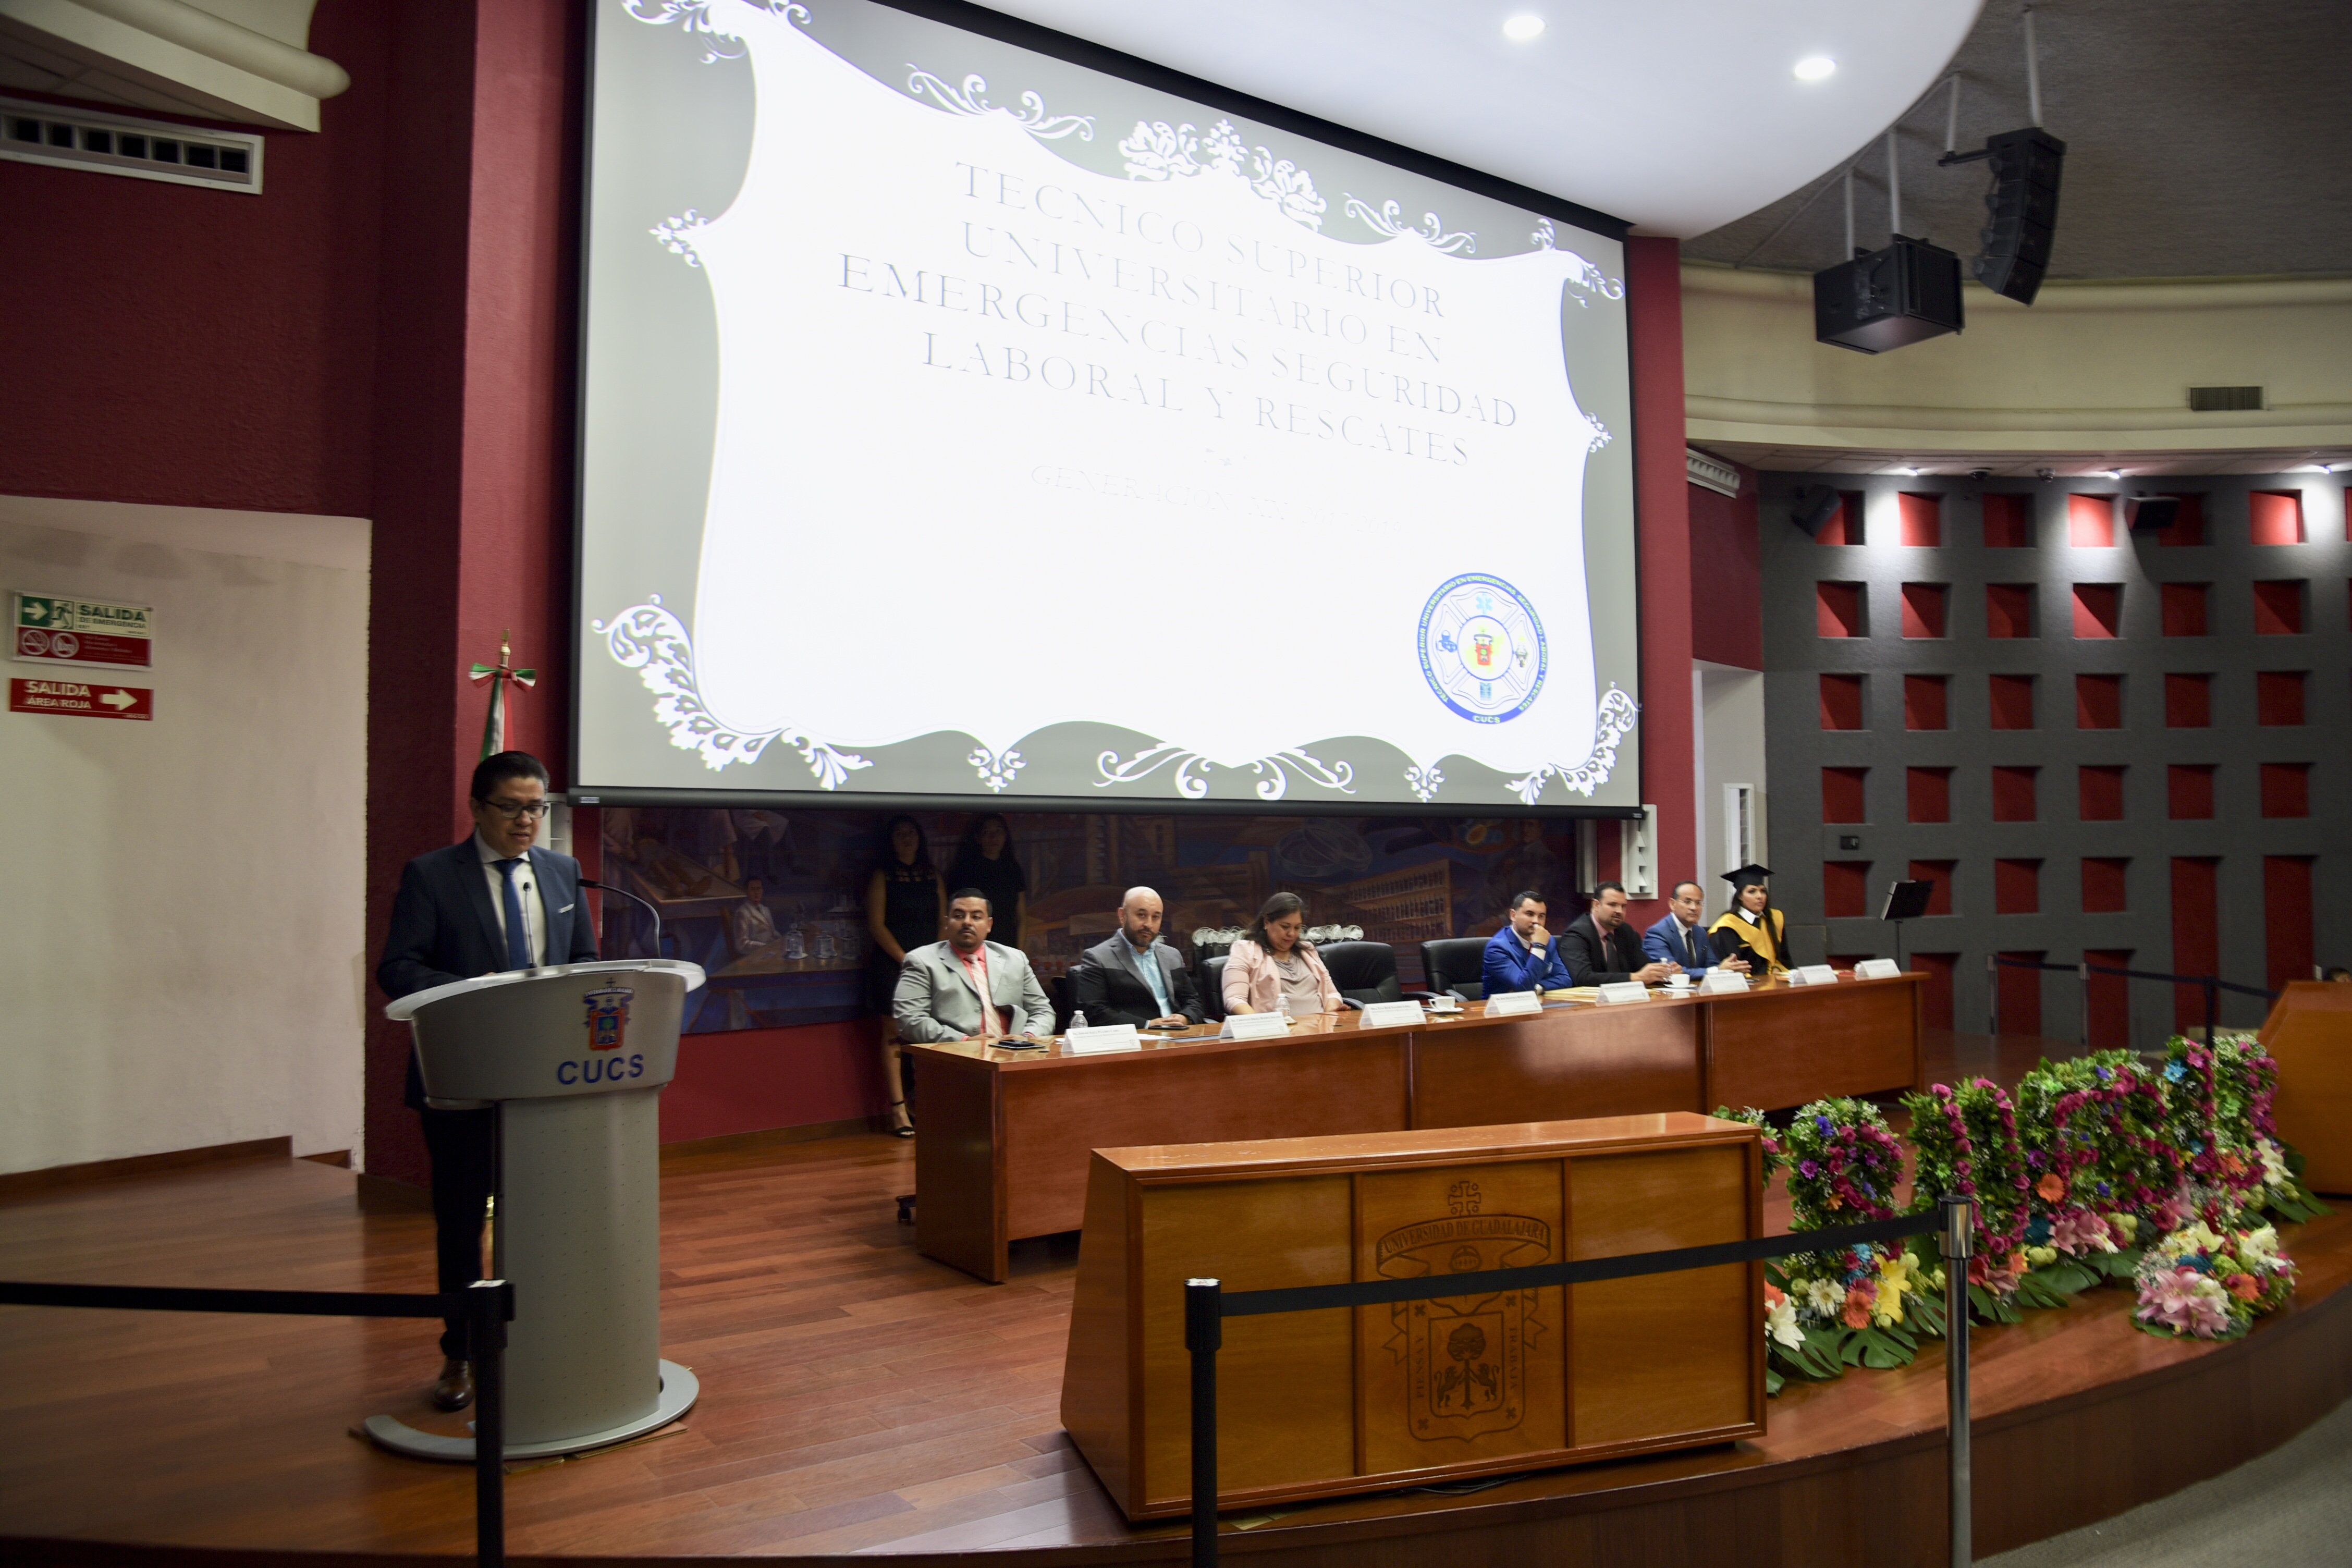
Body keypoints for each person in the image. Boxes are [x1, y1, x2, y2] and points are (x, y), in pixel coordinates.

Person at [375, 751, 596, 1415]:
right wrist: (480, 993)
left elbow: (582, 960)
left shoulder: (562, 872)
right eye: (513, 807)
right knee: (462, 1221)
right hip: (462, 1076)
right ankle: (460, 1352)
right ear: (477, 808)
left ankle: (540, 1344)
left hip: (544, 1083)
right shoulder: (432, 875)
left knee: (545, 1222)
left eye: (538, 807)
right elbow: (399, 968)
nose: (528, 820)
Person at [893, 889, 1055, 1044]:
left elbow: (1043, 1012)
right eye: (958, 916)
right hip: (954, 1060)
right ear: (947, 923)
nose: (967, 922)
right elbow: (909, 1020)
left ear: (989, 925)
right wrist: (964, 1042)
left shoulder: (1015, 959)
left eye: (976, 917)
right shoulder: (922, 961)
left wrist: (1027, 1038)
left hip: (1014, 1056)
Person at [865, 815, 943, 1136]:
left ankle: (923, 1103)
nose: (907, 838)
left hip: (932, 966)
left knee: (929, 1034)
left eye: (912, 832)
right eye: (900, 834)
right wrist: (907, 960)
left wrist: (934, 959)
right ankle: (899, 1111)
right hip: (892, 963)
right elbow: (876, 925)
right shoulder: (882, 876)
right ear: (891, 839)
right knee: (894, 1034)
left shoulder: (933, 874)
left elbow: (944, 920)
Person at [1070, 886, 1205, 1027]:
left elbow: (1194, 1001)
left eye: (1156, 917)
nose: (1149, 924)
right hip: (1134, 1040)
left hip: (1180, 1037)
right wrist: (1147, 1025)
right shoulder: (1098, 958)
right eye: (1141, 915)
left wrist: (1186, 1017)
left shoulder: (1172, 956)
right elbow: (1094, 1012)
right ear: (1122, 916)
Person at [1222, 890, 1344, 1017]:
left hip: (1321, 1030)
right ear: (1267, 922)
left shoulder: (1307, 950)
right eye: (1285, 927)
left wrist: (1331, 1009)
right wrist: (1257, 1024)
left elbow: (1332, 994)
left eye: (1297, 928)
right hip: (1274, 1033)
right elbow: (1234, 999)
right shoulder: (1245, 950)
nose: (1291, 934)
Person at [1560, 881, 1679, 987]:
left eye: (1623, 906)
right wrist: (1635, 977)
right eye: (1613, 905)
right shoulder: (1577, 934)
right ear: (1596, 905)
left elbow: (1642, 967)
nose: (1619, 911)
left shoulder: (1625, 931)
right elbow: (1583, 978)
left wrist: (1664, 973)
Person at [945, 813, 1027, 955]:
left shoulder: (1013, 869)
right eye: (987, 832)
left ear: (1006, 836)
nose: (993, 837)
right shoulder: (964, 869)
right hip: (971, 945)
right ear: (978, 838)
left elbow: (1022, 918)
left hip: (1007, 944)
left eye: (998, 831)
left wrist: (1019, 954)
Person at [1644, 880, 1752, 982]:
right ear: (1673, 904)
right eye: (1688, 902)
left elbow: (1712, 964)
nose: (1694, 908)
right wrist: (1718, 970)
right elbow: (1669, 972)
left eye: (1699, 903)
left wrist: (1728, 968)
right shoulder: (1657, 934)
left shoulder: (1700, 933)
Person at [1483, 889, 1576, 994]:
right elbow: (1523, 987)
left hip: (1539, 1004)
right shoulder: (1497, 948)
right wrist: (1539, 947)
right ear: (1513, 915)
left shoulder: (1548, 941)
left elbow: (1565, 979)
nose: (1536, 921)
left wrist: (1538, 988)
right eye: (1530, 914)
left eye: (1541, 916)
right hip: (1501, 1008)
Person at [1708, 864, 1790, 975]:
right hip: (1746, 987)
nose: (1760, 896)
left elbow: (1785, 959)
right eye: (1752, 891)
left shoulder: (1774, 919)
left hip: (1775, 984)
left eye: (1763, 891)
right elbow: (1732, 968)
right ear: (1740, 896)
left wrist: (1778, 969)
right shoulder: (1728, 925)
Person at [730, 877, 781, 956]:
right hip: (757, 955)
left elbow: (773, 932)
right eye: (753, 889)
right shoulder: (742, 913)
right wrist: (765, 947)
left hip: (772, 951)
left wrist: (783, 941)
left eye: (759, 889)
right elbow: (742, 944)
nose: (756, 893)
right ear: (746, 891)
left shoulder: (765, 909)